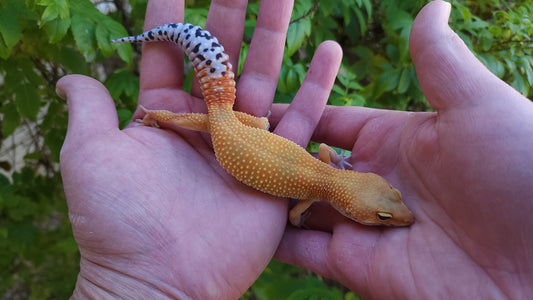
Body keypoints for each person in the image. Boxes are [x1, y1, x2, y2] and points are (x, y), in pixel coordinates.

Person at [56, 0, 533, 298]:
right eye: (386, 213)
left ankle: (167, 106)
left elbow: (325, 156)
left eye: (386, 212)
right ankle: (161, 115)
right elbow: (290, 216)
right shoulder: (317, 193)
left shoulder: (328, 177)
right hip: (225, 125)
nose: (397, 214)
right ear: (353, 194)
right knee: (199, 119)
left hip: (234, 123)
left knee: (241, 118)